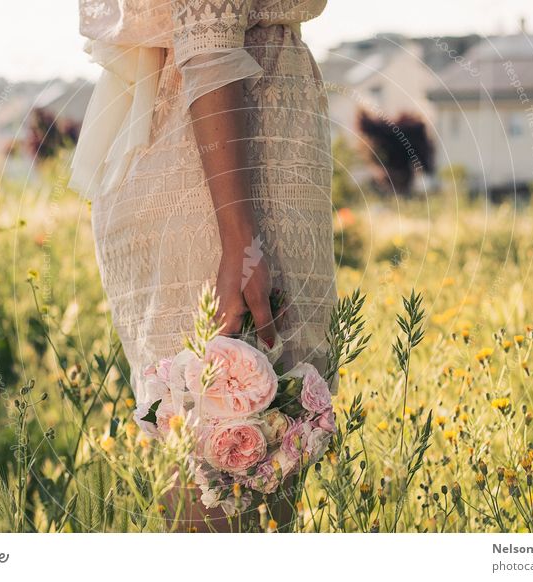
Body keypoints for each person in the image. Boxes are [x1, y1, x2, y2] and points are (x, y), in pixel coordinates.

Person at [71, 0, 336, 531]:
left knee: (244, 482)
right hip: (227, 182)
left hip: (216, 159)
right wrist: (239, 240)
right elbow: (208, 31)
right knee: (233, 488)